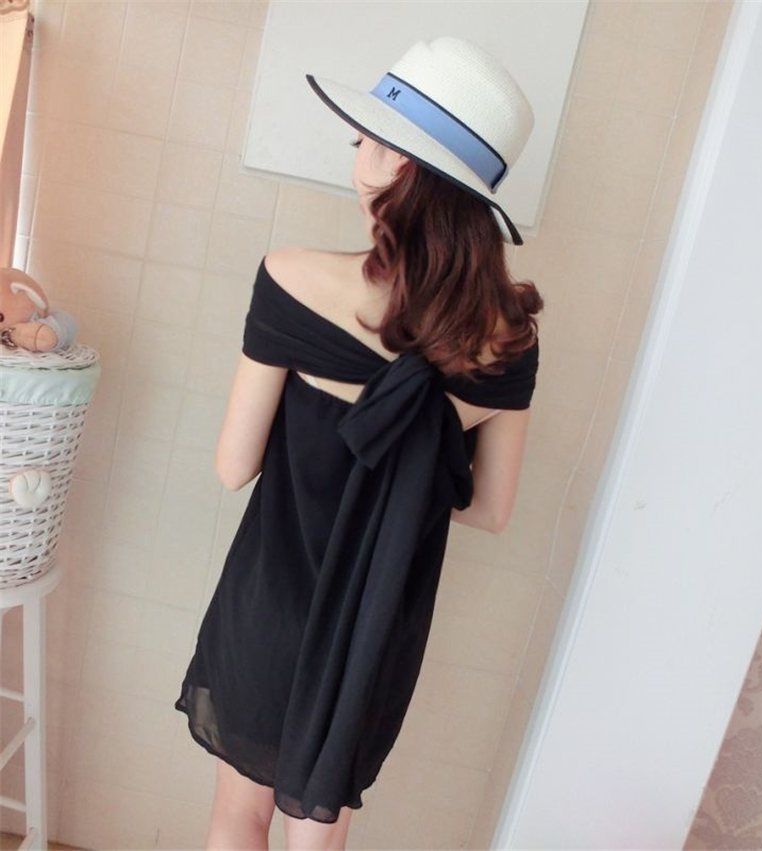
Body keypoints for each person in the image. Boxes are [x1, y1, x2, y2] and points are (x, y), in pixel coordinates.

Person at [174, 36, 545, 851]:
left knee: (239, 817)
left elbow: (234, 466)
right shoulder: (508, 337)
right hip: (374, 634)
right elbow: (490, 510)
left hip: (271, 606)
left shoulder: (291, 277)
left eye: (364, 140)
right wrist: (406, 470)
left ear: (398, 163)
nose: (358, 156)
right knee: (320, 836)